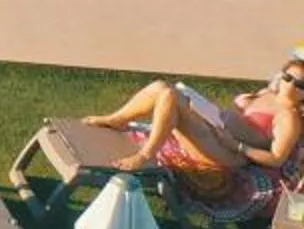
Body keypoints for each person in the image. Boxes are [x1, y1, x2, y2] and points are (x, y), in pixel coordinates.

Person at [83, 63, 304, 215]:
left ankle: (145, 155)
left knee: (170, 97)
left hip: (229, 155)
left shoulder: (289, 117)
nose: (291, 85)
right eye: (287, 77)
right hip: (216, 133)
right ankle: (116, 119)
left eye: (299, 84)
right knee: (161, 87)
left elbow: (277, 158)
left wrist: (236, 145)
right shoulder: (266, 94)